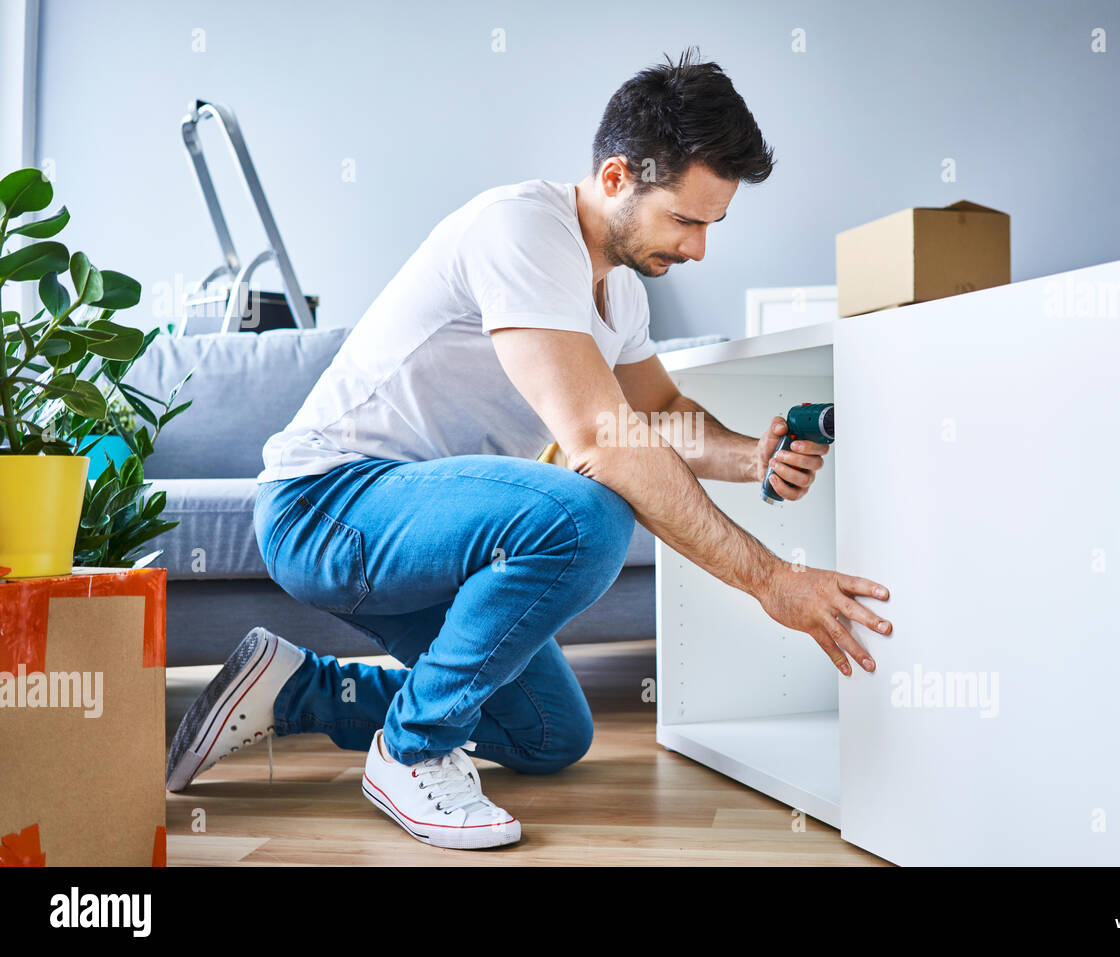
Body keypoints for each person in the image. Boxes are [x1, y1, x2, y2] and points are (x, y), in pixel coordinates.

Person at [165, 47, 891, 850]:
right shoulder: (521, 228)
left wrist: (751, 456)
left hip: (430, 533)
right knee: (588, 515)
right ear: (617, 178)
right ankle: (409, 753)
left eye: (712, 225)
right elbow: (602, 444)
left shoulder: (619, 292)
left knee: (550, 734)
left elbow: (662, 412)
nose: (699, 250)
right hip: (326, 505)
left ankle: (299, 690)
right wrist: (772, 579)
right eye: (686, 220)